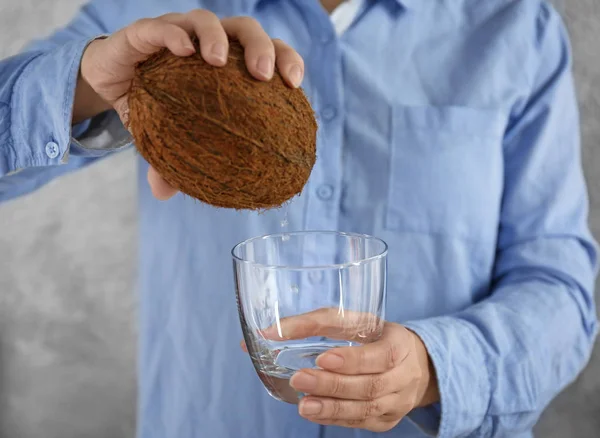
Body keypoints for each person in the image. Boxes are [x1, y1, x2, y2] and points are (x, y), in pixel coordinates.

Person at [0, 0, 596, 436]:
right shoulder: (154, 16)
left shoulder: (516, 27)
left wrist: (437, 367)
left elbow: (561, 288)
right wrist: (83, 82)